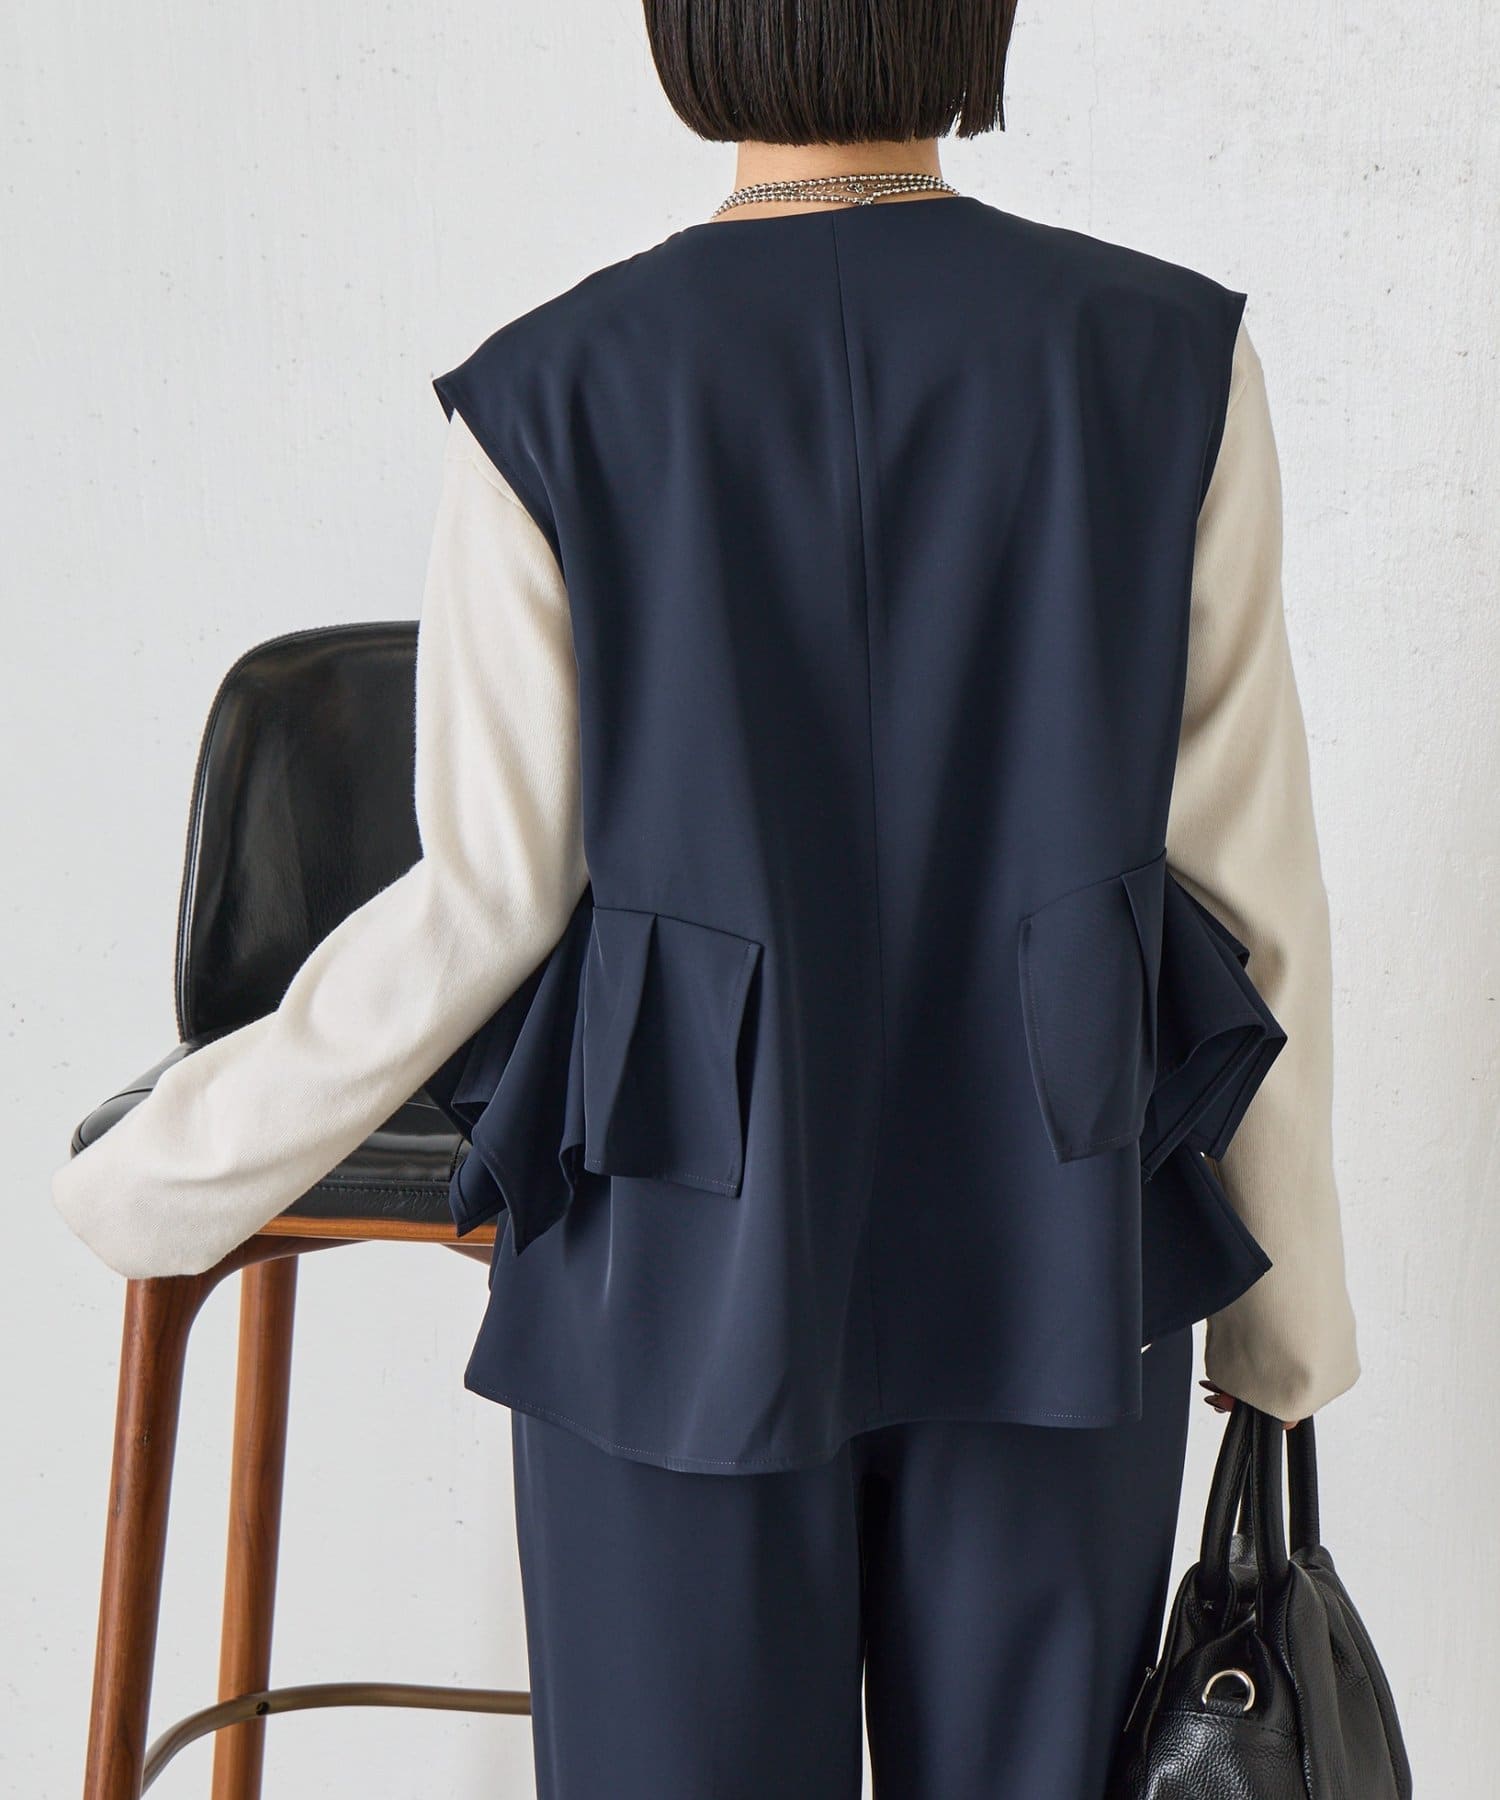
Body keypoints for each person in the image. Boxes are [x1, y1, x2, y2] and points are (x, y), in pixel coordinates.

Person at [52, 3, 1360, 1794]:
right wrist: (1287, 1317)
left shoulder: (553, 390)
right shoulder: (1168, 358)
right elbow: (1251, 886)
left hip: (675, 1240)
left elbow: (486, 904)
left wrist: (170, 1168)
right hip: (1060, 1232)